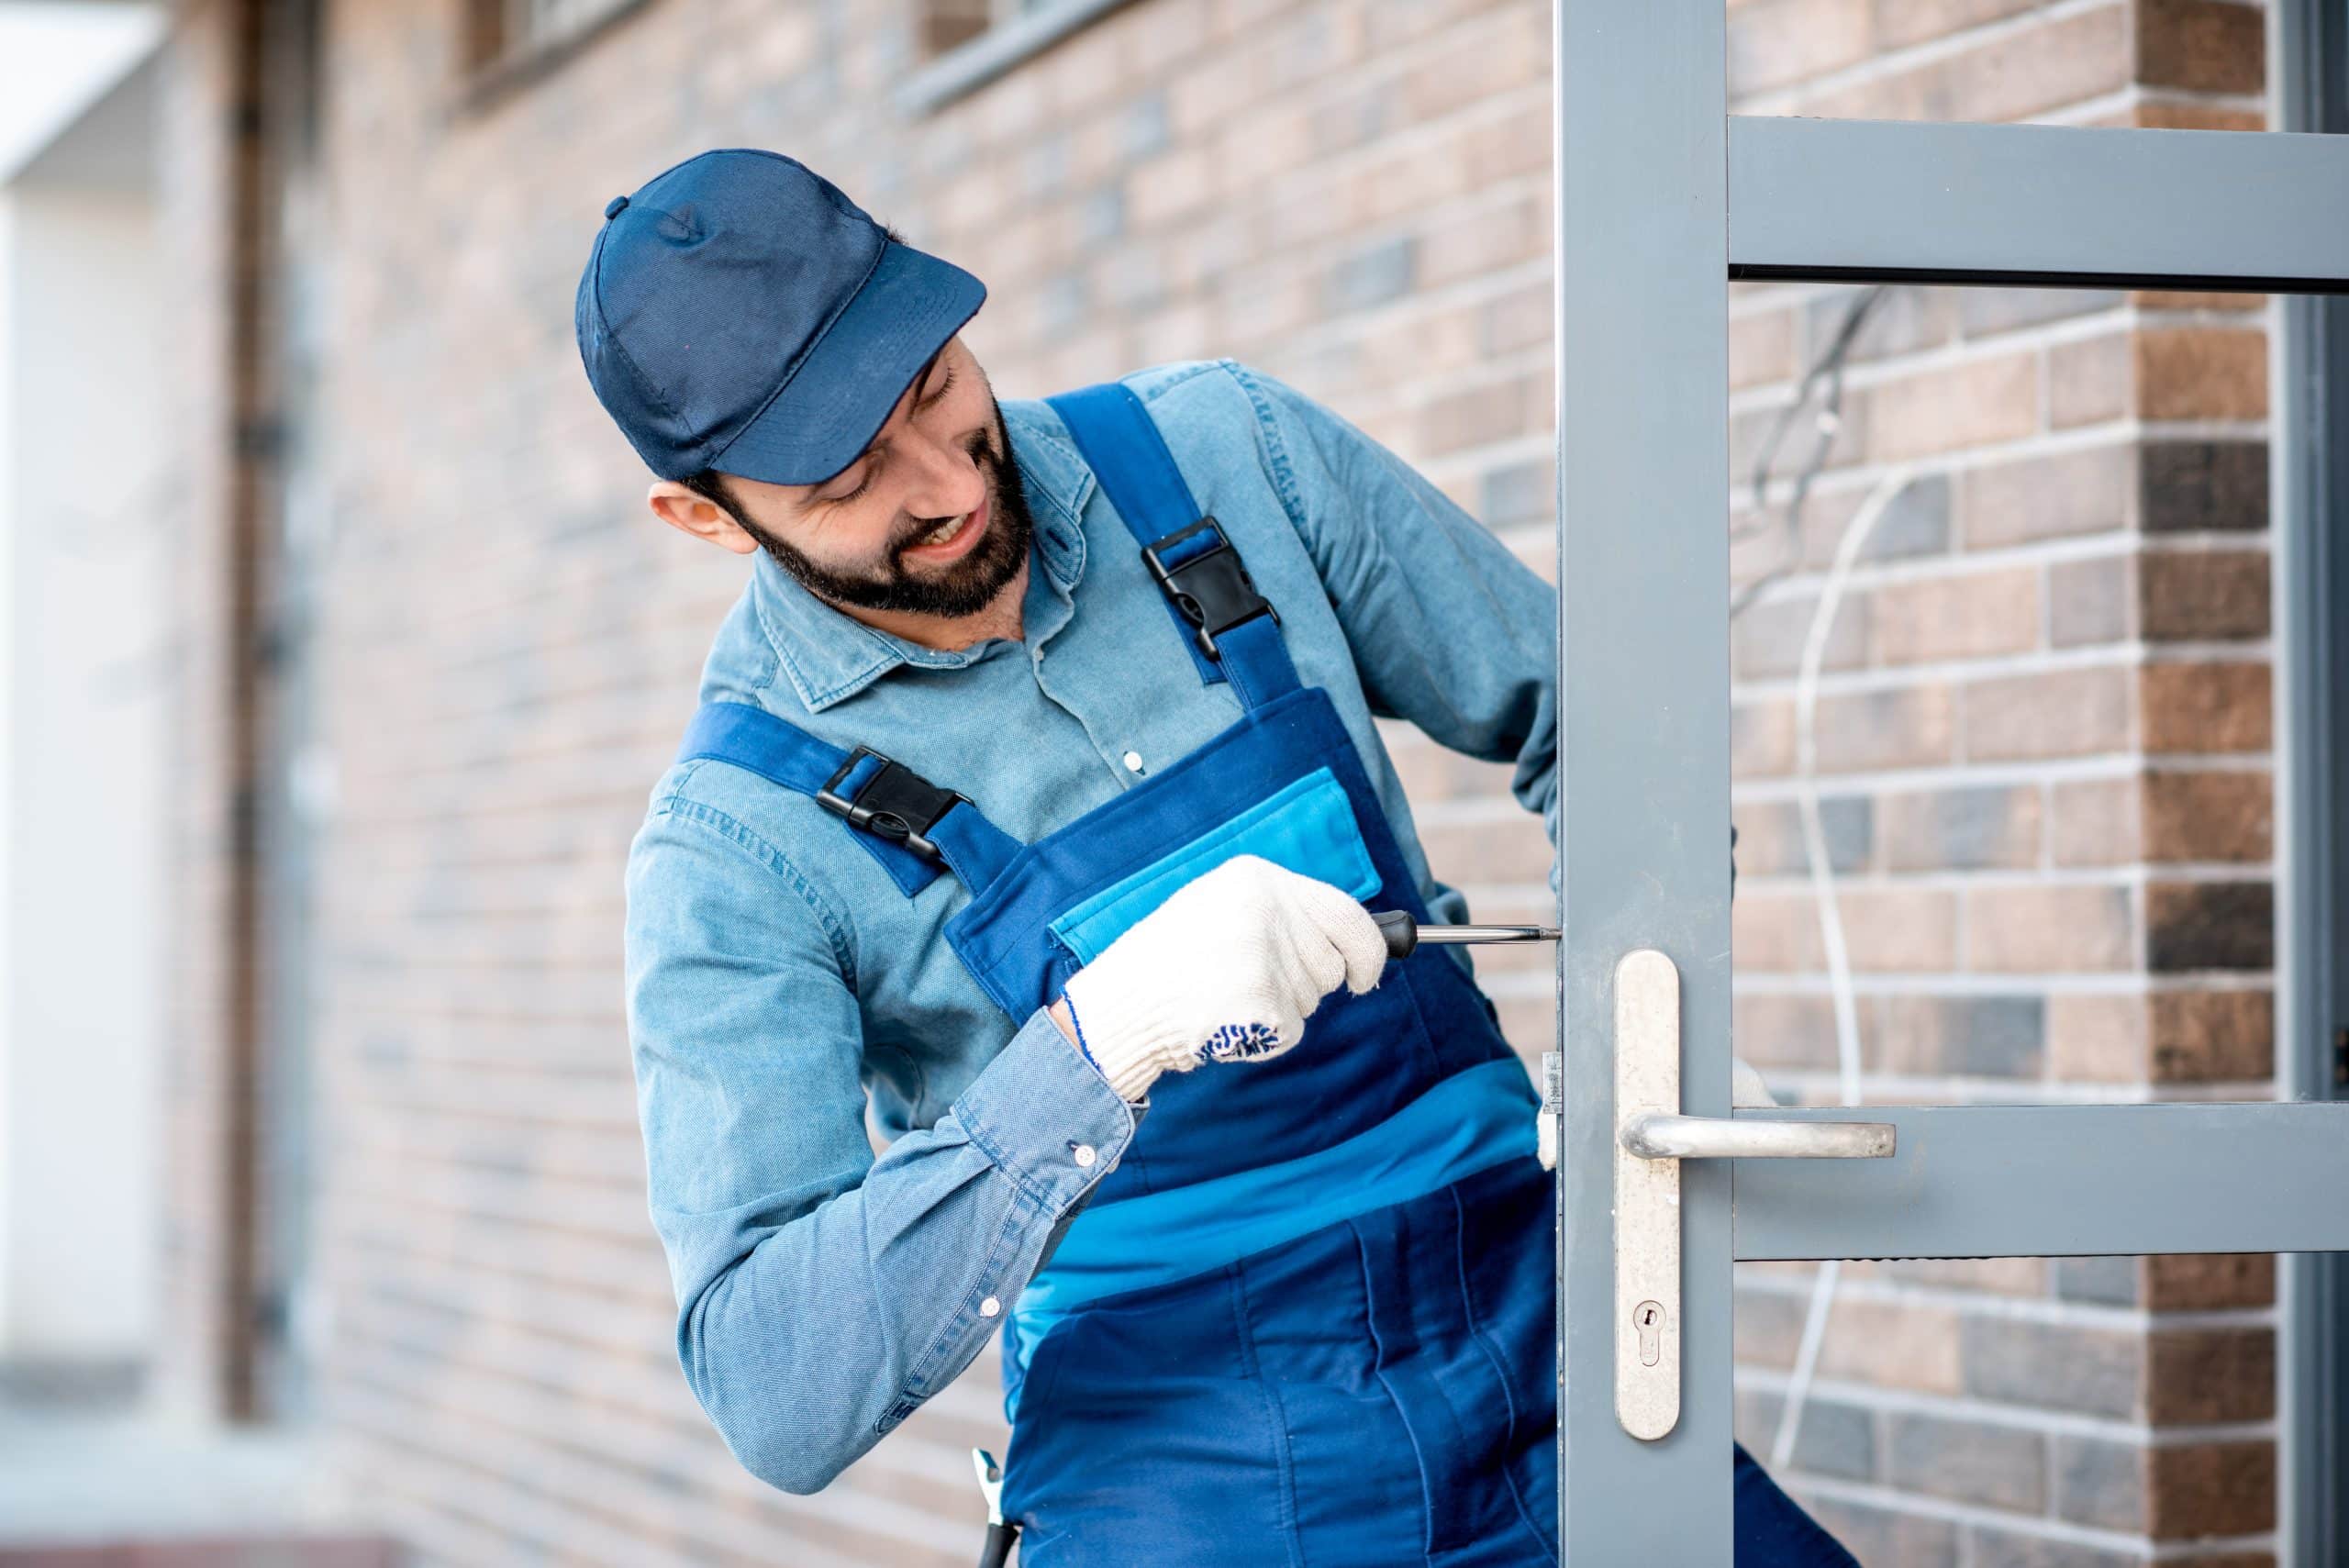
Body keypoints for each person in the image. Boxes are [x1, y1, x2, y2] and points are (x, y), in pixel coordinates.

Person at [579, 147, 1854, 1567]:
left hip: (1546, 1340)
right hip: (1186, 1466)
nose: (950, 480)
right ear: (706, 514)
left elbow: (1608, 725)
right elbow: (775, 1381)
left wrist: (1649, 1006)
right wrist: (1099, 1044)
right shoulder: (737, 849)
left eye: (934, 382)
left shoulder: (1228, 454)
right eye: (852, 472)